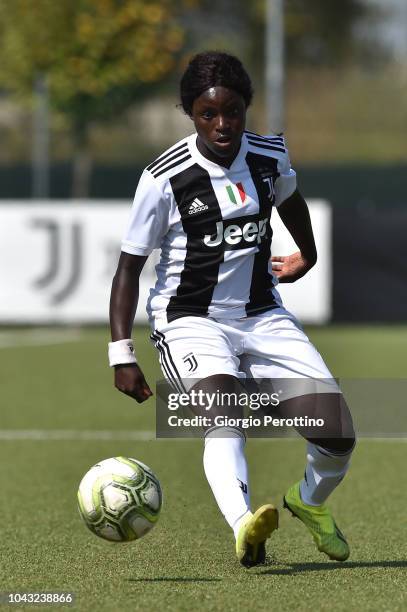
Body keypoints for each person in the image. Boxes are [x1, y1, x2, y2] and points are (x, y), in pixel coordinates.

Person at [108, 51, 355, 568]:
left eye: (233, 111)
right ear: (189, 112)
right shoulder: (164, 179)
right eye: (207, 113)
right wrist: (121, 353)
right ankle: (245, 525)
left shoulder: (269, 154)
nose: (223, 124)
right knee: (223, 415)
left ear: (246, 106)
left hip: (263, 313)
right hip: (190, 321)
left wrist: (307, 252)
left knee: (337, 435)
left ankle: (307, 503)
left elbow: (290, 199)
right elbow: (128, 268)